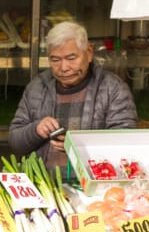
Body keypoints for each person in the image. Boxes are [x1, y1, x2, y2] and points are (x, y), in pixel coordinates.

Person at [9, 20, 138, 172]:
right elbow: (15, 141)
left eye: (71, 58)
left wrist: (78, 148)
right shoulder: (37, 87)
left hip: (89, 183)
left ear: (89, 53)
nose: (64, 68)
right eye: (55, 60)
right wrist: (36, 130)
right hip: (43, 183)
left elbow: (125, 142)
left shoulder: (113, 88)